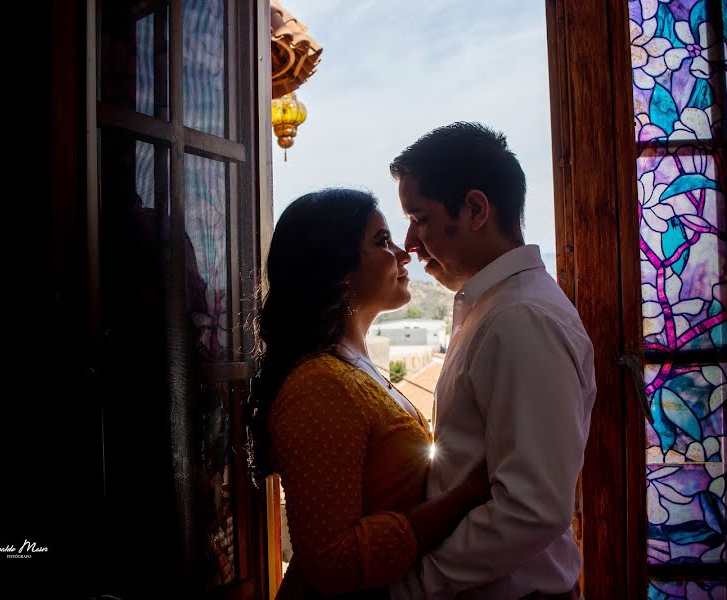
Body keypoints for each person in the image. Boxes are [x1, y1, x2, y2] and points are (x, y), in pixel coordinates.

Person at [246, 188, 490, 599]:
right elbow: (331, 560)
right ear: (338, 268)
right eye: (381, 241)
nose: (404, 253)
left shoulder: (352, 367)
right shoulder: (318, 385)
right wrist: (464, 497)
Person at [388, 123, 596, 600]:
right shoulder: (493, 307)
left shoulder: (521, 319)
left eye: (420, 217)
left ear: (476, 209)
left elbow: (532, 506)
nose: (410, 243)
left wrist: (419, 585)